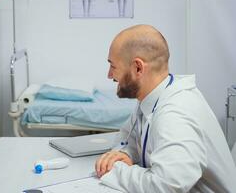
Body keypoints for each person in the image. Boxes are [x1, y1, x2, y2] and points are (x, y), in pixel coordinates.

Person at [95, 24, 236, 192]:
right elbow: (129, 135)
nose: (109, 75)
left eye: (113, 66)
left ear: (138, 68)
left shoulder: (176, 113)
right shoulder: (153, 97)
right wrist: (125, 154)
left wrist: (115, 171)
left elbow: (167, 186)